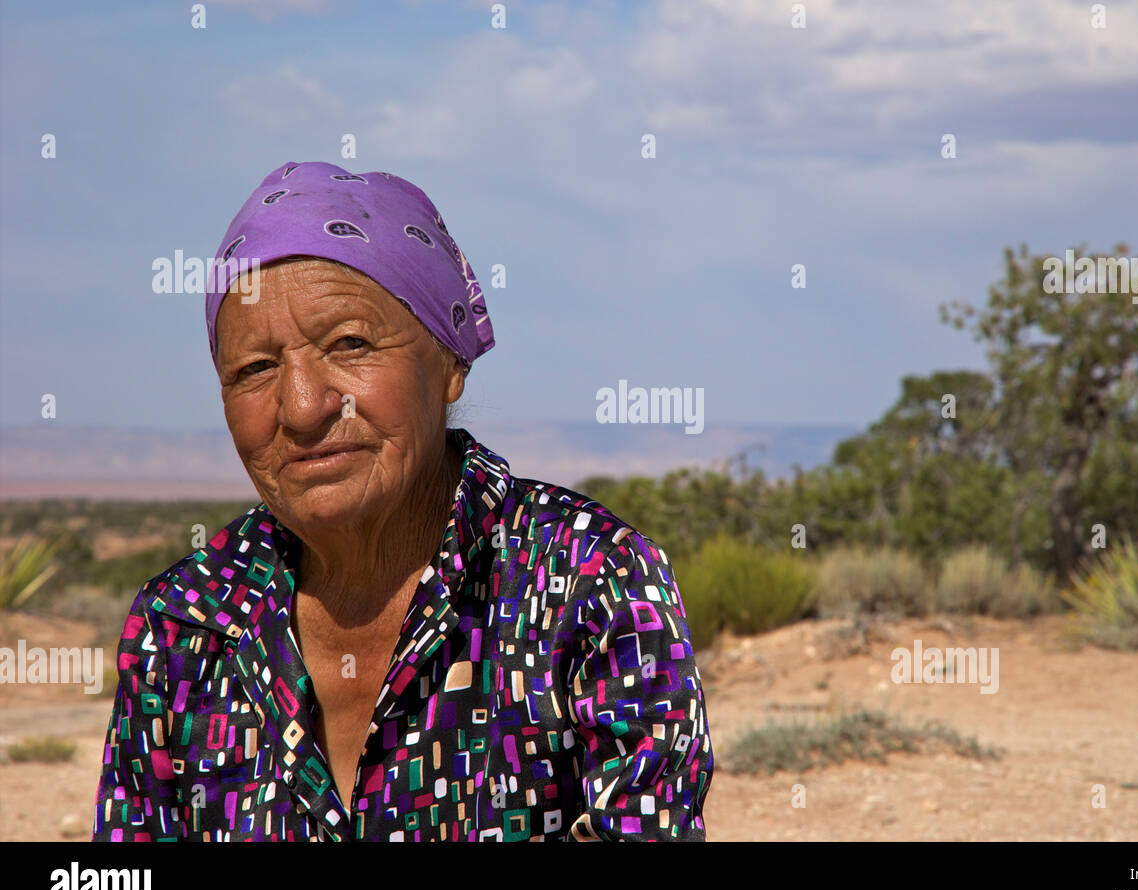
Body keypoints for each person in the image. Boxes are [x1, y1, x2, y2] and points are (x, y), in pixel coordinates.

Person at [92, 161, 712, 841]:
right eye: (255, 369)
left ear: (450, 362)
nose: (301, 409)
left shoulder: (592, 584)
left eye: (349, 344)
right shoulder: (185, 622)